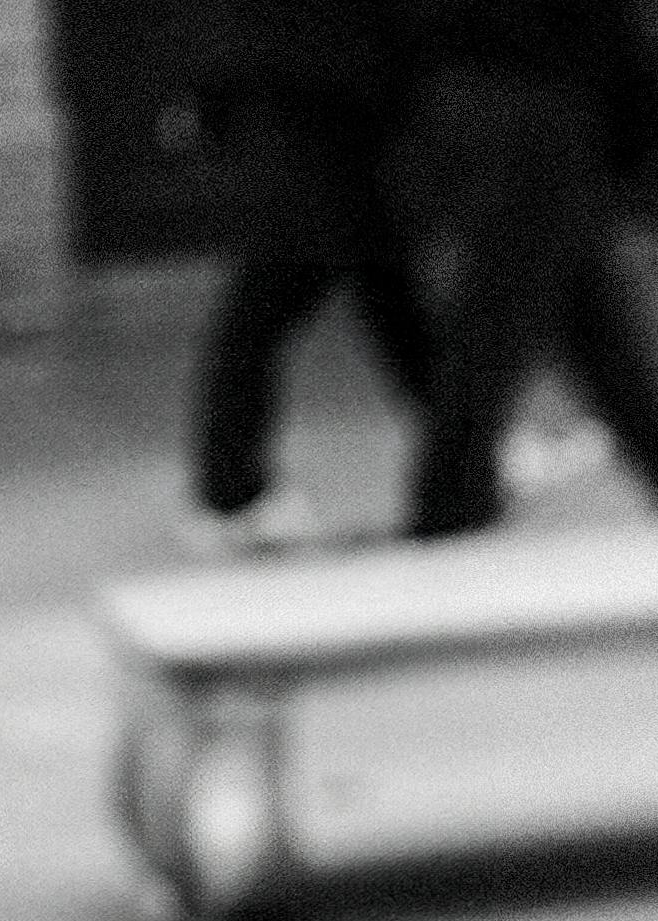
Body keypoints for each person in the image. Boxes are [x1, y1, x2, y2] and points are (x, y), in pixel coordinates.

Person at [400, 0, 658, 534]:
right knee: (501, 320)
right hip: (534, 104)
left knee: (589, 320)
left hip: (486, 97)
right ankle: (447, 507)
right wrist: (640, 125)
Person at [170, 0, 460, 550]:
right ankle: (230, 497)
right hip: (309, 145)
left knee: (388, 299)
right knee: (267, 310)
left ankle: (465, 444)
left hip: (320, 142)